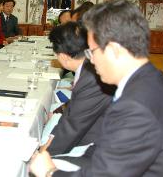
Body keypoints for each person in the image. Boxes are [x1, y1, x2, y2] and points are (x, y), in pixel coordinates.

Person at [30, 0, 163, 177]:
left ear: (114, 50)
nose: (91, 61)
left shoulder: (136, 107)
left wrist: (49, 172)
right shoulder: (150, 80)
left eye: (92, 51)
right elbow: (108, 145)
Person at [44, 22, 114, 155]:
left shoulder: (93, 76)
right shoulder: (87, 68)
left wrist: (45, 152)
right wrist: (59, 112)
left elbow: (73, 127)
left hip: (98, 145)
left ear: (63, 56)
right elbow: (78, 104)